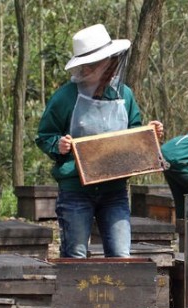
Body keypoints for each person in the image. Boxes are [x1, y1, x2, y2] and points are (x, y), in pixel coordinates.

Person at [36, 24, 164, 258]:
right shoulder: (65, 97)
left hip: (115, 191)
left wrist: (150, 133)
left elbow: (133, 132)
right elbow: (45, 136)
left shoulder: (124, 94)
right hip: (75, 190)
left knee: (120, 255)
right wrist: (59, 145)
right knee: (75, 256)